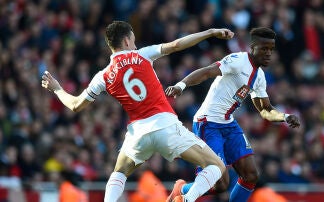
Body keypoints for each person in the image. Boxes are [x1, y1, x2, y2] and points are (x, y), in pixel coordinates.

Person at [41, 21, 234, 202]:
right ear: (126, 40)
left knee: (119, 173)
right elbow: (176, 45)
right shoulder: (142, 54)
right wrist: (209, 32)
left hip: (138, 134)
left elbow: (76, 105)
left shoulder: (104, 76)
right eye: (132, 40)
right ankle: (187, 199)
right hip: (165, 125)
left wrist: (57, 89)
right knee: (215, 166)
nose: (134, 45)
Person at [165, 27, 300, 202]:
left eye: (271, 50)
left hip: (228, 124)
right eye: (264, 48)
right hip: (208, 122)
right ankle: (181, 190)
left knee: (251, 175)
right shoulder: (237, 60)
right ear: (253, 47)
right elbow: (207, 71)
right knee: (220, 184)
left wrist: (284, 117)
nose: (268, 53)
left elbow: (265, 110)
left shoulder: (259, 77)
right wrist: (181, 85)